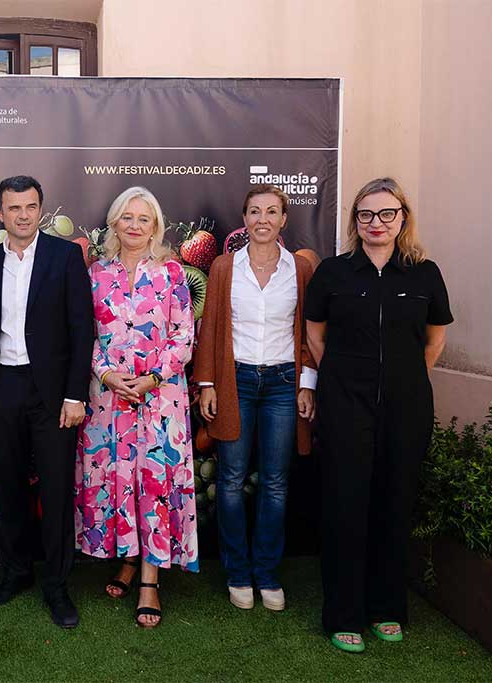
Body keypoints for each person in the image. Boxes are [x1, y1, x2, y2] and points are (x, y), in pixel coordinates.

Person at [305, 177, 452, 653]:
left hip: (407, 408)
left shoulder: (424, 274)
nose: (376, 223)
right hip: (345, 405)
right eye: (366, 215)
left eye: (386, 214)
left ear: (402, 218)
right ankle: (343, 614)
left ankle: (387, 608)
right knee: (345, 506)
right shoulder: (333, 273)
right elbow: (315, 335)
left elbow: (434, 341)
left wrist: (403, 380)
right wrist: (346, 380)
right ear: (355, 221)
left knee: (394, 503)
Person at [75, 186, 198, 628]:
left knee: (154, 482)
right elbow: (81, 335)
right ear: (113, 223)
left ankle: (149, 580)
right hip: (108, 400)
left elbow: (184, 337)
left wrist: (151, 378)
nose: (134, 225)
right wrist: (106, 375)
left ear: (155, 226)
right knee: (118, 479)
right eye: (126, 217)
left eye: (143, 219)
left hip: (160, 399)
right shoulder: (95, 275)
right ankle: (127, 557)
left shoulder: (172, 275)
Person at [0, 175, 93, 629]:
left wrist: (74, 395)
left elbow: (82, 329)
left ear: (40, 209)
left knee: (56, 490)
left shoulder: (65, 256)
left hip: (53, 393)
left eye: (30, 206)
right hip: (2, 386)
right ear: (0, 212)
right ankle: (14, 573)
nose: (23, 215)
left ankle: (57, 586)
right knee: (8, 487)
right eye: (14, 208)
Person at [195, 184, 317, 613]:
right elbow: (209, 328)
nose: (262, 219)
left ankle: (266, 573)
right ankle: (237, 572)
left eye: (271, 211)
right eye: (254, 211)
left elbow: (309, 333)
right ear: (243, 219)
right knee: (229, 480)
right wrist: (207, 384)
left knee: (276, 482)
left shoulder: (299, 270)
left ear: (284, 219)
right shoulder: (225, 267)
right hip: (236, 381)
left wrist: (307, 383)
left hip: (284, 383)